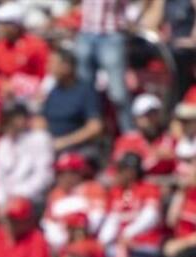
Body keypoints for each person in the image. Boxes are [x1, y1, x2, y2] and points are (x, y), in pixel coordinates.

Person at [75, 0, 140, 133]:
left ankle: (129, 133)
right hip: (86, 33)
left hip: (111, 35)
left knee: (118, 92)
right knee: (85, 89)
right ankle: (91, 129)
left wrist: (132, 21)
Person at [0, 101, 54, 210]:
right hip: (5, 199)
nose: (13, 122)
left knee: (17, 209)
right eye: (8, 119)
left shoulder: (40, 138)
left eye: (16, 117)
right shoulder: (2, 144)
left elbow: (44, 176)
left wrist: (18, 194)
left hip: (30, 198)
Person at [41, 48, 103, 154]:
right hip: (50, 147)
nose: (48, 67)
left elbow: (95, 127)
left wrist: (64, 142)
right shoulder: (53, 91)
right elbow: (41, 119)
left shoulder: (85, 91)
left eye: (53, 63)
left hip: (76, 150)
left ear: (66, 67)